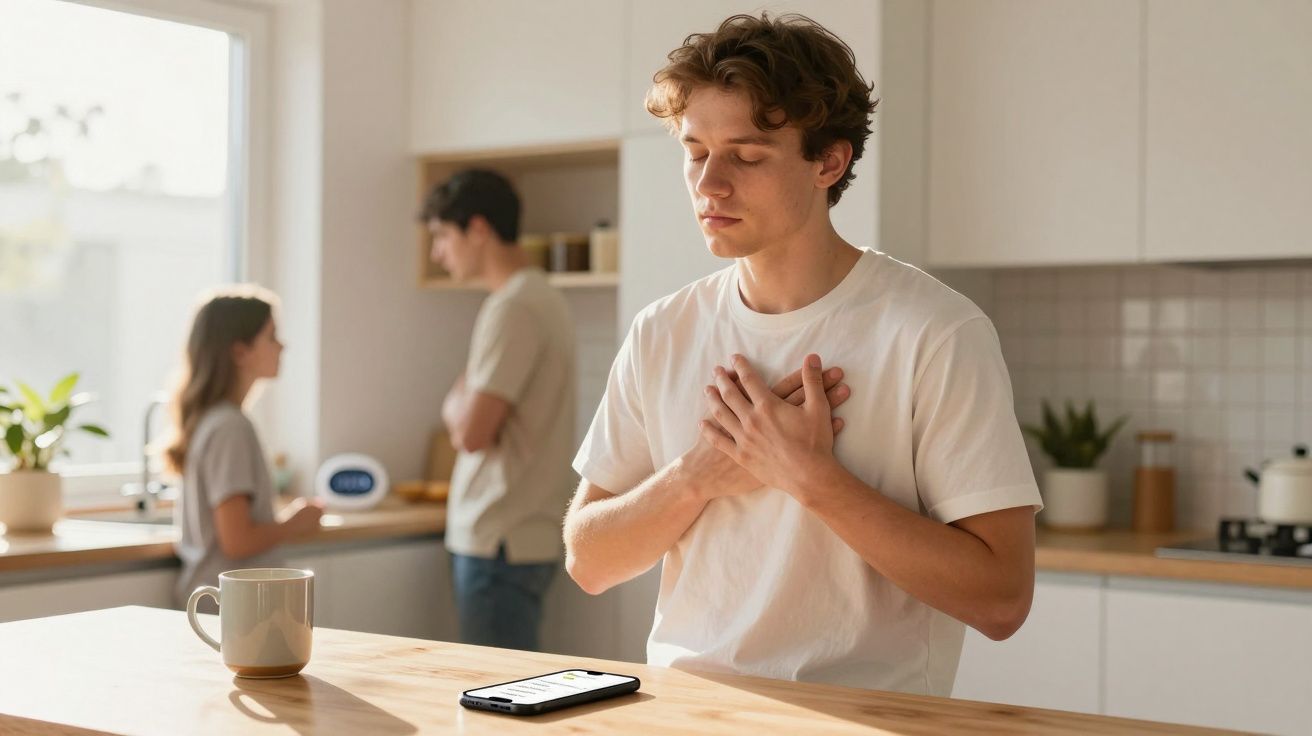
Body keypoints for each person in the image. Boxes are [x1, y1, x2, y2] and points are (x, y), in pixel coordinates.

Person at [563, 13, 1043, 695]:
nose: (709, 184)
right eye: (696, 152)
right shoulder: (661, 331)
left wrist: (809, 477)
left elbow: (1001, 600)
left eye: (746, 156)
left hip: (866, 718)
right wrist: (695, 477)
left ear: (829, 162)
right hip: (687, 711)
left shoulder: (935, 332)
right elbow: (588, 561)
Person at [424, 169, 576, 651]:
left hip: (499, 539)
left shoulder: (513, 307)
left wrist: (453, 401)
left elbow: (471, 432)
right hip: (518, 535)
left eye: (442, 236)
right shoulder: (540, 297)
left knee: (497, 693)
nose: (437, 253)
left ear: (478, 229)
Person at [166, 286, 324, 607]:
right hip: (229, 606)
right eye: (272, 336)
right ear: (240, 352)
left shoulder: (215, 420)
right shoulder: (231, 427)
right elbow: (237, 540)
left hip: (217, 601)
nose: (282, 345)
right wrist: (295, 523)